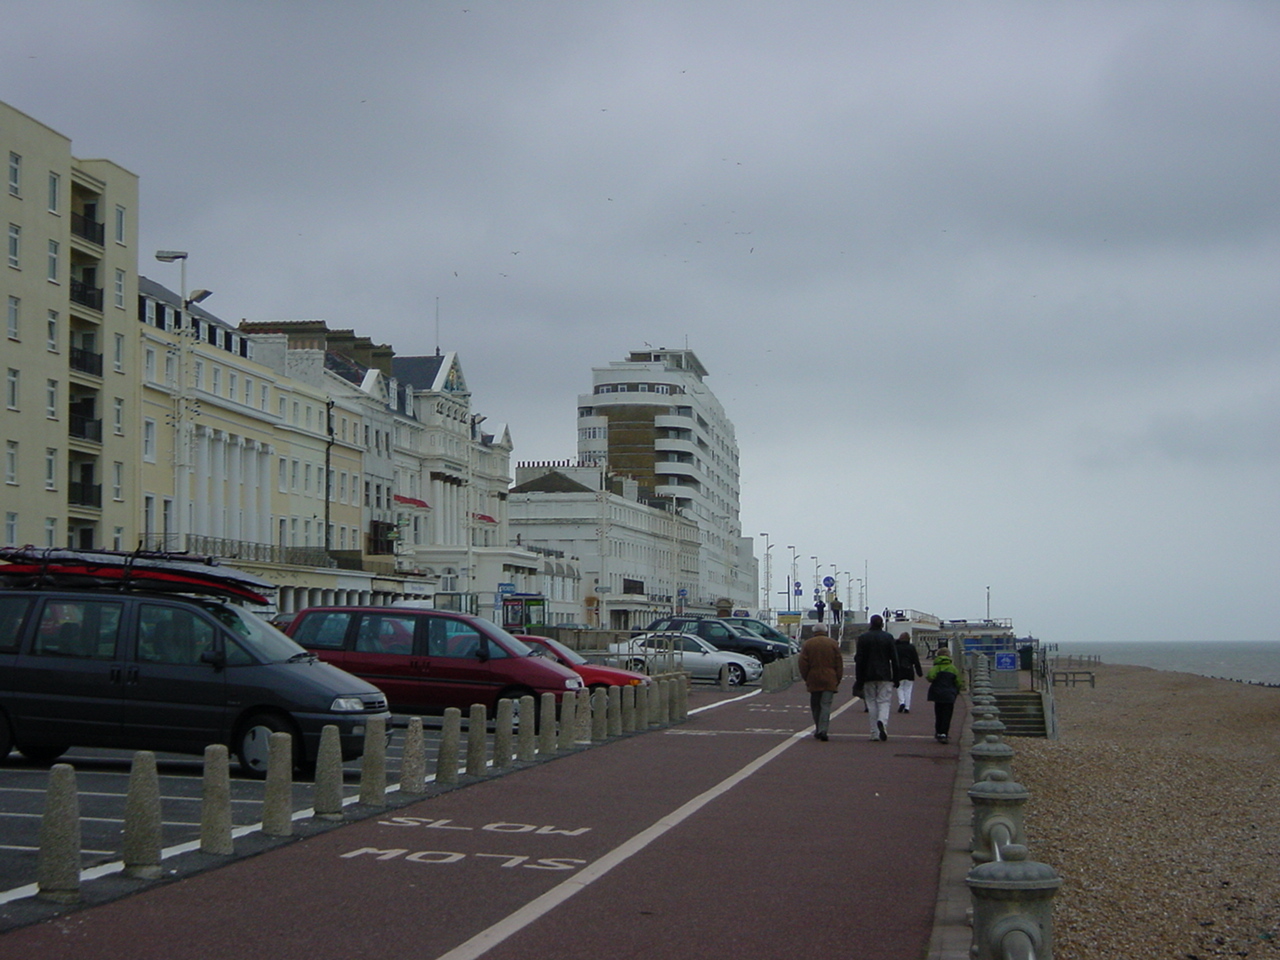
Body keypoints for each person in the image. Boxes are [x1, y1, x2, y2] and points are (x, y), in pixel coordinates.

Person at [854, 614, 900, 741]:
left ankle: (874, 732)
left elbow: (859, 659)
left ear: (870, 623)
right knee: (884, 701)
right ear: (882, 624)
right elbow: (894, 659)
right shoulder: (888, 637)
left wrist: (859, 679)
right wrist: (896, 677)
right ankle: (882, 722)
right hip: (885, 674)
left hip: (867, 674)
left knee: (871, 702)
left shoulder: (863, 638)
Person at [798, 624, 843, 741]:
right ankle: (823, 729)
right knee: (826, 705)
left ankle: (818, 728)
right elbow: (839, 662)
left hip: (813, 676)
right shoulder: (833, 643)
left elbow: (802, 663)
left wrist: (806, 677)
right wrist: (838, 678)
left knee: (815, 705)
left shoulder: (808, 644)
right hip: (830, 677)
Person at [926, 647, 964, 743]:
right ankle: (944, 733)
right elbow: (958, 682)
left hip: (938, 693)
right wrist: (958, 689)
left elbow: (930, 676)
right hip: (949, 694)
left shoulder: (936, 667)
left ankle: (938, 731)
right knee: (947, 714)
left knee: (938, 713)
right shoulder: (953, 668)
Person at [894, 632, 923, 713]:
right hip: (909, 670)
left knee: (899, 688)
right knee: (908, 689)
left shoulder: (896, 647)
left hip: (899, 670)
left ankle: (901, 702)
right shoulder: (911, 647)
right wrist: (919, 672)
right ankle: (907, 707)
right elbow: (916, 660)